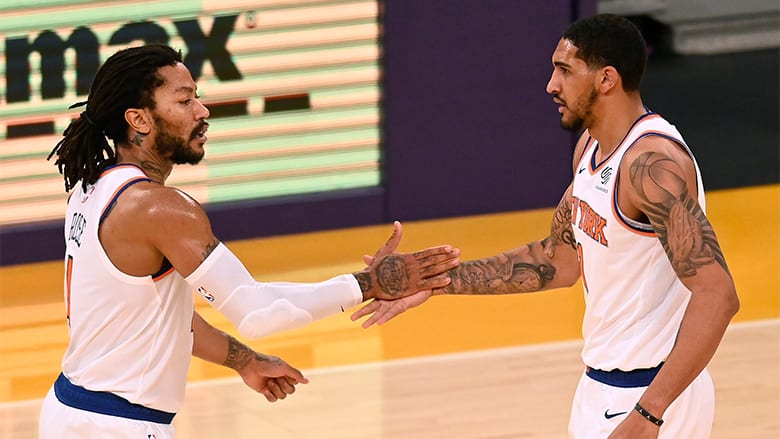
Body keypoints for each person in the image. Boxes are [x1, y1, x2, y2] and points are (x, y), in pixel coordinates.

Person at [40, 44, 460, 439]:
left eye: (197, 97)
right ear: (139, 120)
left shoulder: (90, 188)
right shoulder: (160, 209)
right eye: (184, 101)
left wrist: (245, 359)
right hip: (117, 426)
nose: (202, 110)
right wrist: (371, 283)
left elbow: (158, 317)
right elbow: (260, 313)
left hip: (68, 412)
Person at [351, 13, 739, 439]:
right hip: (602, 386)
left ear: (606, 78)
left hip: (652, 395)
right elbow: (557, 260)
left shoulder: (651, 166)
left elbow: (718, 295)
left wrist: (650, 413)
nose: (551, 85)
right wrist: (432, 279)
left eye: (565, 71)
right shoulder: (590, 148)